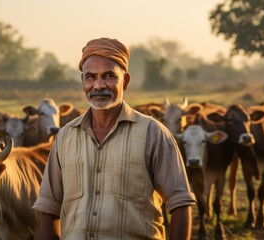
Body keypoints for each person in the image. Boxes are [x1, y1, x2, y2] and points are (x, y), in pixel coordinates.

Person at [33, 37, 196, 239]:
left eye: (109, 76)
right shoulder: (65, 137)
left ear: (125, 81)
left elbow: (180, 203)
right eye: (90, 77)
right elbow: (49, 208)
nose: (99, 85)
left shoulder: (153, 133)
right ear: (83, 81)